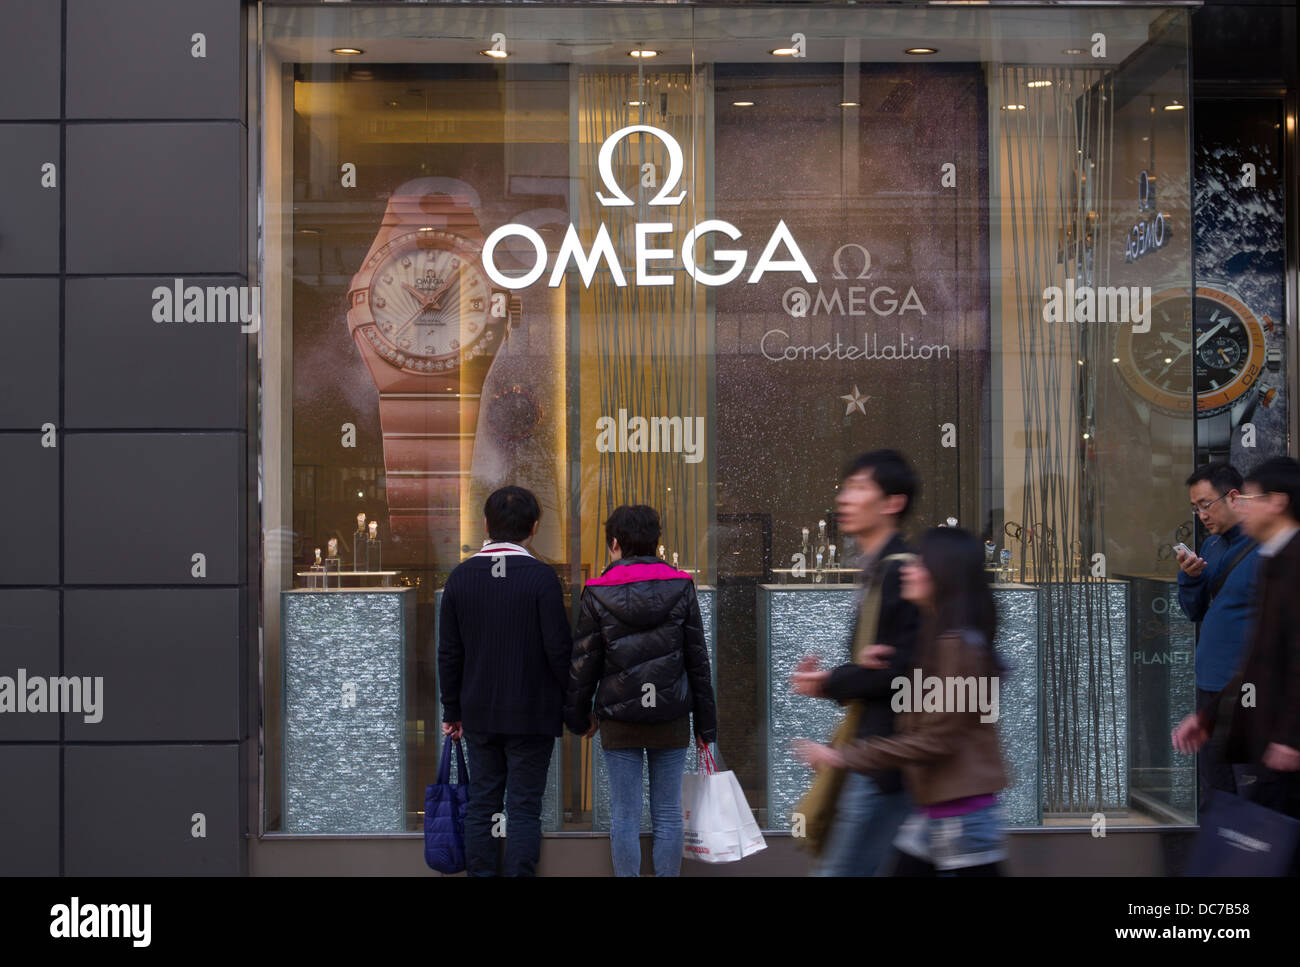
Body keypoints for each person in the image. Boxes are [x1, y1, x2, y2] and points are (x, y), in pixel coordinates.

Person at [796, 527, 1008, 876]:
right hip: (937, 813)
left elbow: (934, 739)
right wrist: (868, 668)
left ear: (943, 574)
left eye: (920, 563)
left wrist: (842, 756)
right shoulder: (938, 638)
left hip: (963, 819)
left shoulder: (958, 647)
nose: (908, 569)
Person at [564, 504, 717, 877]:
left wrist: (578, 716)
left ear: (614, 543)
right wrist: (706, 727)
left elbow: (585, 665)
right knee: (667, 813)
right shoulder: (681, 585)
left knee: (625, 815)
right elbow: (697, 660)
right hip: (672, 715)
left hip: (619, 717)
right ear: (656, 542)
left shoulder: (597, 592)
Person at [790, 449, 921, 876]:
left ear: (892, 503)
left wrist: (834, 680)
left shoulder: (900, 575)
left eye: (860, 487)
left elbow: (905, 673)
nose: (846, 498)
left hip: (885, 760)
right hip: (874, 756)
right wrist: (837, 680)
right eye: (846, 488)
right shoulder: (878, 572)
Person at [438, 486, 573, 876]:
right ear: (534, 527)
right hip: (533, 714)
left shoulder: (461, 578)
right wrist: (574, 706)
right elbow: (559, 652)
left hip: (478, 714)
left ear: (485, 525)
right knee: (524, 808)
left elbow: (449, 653)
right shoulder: (542, 579)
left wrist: (452, 709)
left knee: (482, 804)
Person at [1174, 456, 1300, 863]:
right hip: (1231, 694)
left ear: (1277, 503)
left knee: (1263, 816)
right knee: (1237, 806)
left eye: (1251, 498)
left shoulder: (1282, 559)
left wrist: (1289, 738)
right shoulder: (1258, 554)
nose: (1244, 506)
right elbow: (1259, 651)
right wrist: (1208, 715)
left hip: (1268, 713)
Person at [1176, 462, 1260, 808]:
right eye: (1194, 508)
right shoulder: (1211, 547)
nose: (1201, 515)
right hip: (1209, 686)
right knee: (1217, 788)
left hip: (1247, 688)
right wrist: (1190, 578)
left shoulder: (1263, 546)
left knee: (1249, 786)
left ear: (1233, 497)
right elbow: (1194, 612)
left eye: (1205, 504)